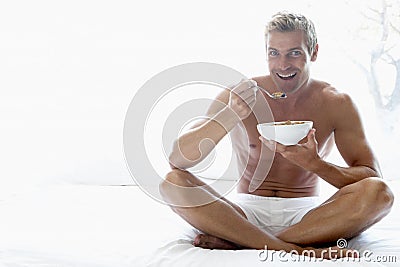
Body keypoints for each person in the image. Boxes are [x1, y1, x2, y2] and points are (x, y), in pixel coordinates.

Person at [160, 11, 394, 258]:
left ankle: (241, 242)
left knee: (380, 193)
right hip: (243, 214)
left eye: (294, 53)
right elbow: (178, 159)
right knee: (172, 183)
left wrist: (316, 165)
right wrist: (229, 115)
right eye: (274, 53)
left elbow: (371, 177)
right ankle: (297, 250)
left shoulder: (336, 102)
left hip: (311, 218)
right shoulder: (239, 95)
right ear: (266, 53)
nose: (283, 65)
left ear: (313, 52)